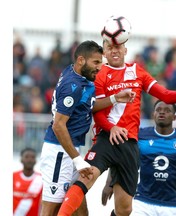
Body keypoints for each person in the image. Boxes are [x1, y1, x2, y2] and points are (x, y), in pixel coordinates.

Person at [57, 40, 176, 216]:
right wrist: (112, 128)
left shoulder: (137, 71)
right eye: (109, 48)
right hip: (106, 138)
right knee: (85, 177)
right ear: (105, 53)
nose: (114, 51)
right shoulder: (100, 73)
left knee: (124, 209)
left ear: (125, 49)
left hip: (130, 144)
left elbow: (164, 94)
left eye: (118, 47)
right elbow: (96, 109)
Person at [39, 40, 136, 216]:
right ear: (81, 60)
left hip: (70, 151)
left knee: (79, 207)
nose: (100, 67)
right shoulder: (72, 86)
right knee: (50, 209)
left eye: (101, 62)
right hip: (59, 152)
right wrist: (77, 159)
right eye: (96, 62)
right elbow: (58, 125)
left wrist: (115, 98)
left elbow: (87, 106)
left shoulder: (79, 74)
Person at [102, 100, 176, 216]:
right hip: (142, 202)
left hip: (171, 205)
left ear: (174, 117)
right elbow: (120, 156)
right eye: (158, 110)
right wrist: (109, 183)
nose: (162, 113)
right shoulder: (140, 135)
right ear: (153, 114)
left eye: (167, 111)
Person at [13, 147, 43, 216]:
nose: (29, 160)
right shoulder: (13, 177)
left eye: (32, 157)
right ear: (21, 159)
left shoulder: (41, 179)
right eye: (26, 157)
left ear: (35, 160)